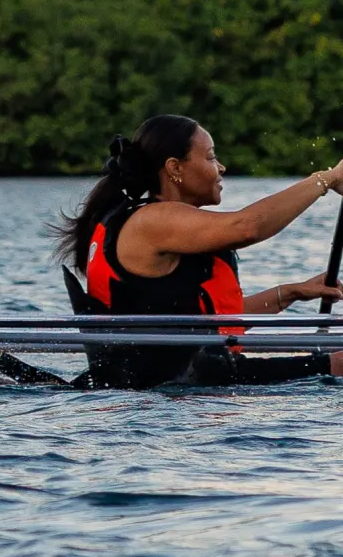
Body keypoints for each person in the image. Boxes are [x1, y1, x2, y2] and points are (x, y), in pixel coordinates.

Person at [58, 115, 343, 388]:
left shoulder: (160, 223)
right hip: (168, 389)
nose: (221, 168)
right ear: (175, 168)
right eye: (210, 157)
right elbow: (247, 227)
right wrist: (326, 180)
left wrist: (290, 293)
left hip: (185, 379)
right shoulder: (152, 221)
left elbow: (206, 319)